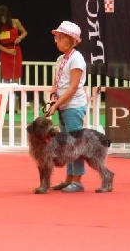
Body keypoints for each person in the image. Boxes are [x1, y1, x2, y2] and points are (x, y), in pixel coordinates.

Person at [46, 21, 88, 193]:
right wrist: (53, 99)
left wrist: (56, 104)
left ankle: (77, 181)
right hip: (64, 105)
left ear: (71, 40)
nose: (56, 40)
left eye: (60, 37)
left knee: (74, 144)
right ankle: (69, 179)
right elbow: (59, 84)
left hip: (73, 106)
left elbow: (73, 87)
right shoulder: (61, 59)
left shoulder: (77, 59)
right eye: (56, 37)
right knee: (67, 144)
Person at [0, 5, 27, 83]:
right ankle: (6, 94)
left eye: (4, 18)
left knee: (16, 76)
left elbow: (25, 32)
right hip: (5, 53)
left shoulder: (15, 22)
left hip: (15, 51)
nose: (2, 20)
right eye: (0, 19)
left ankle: (15, 94)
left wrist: (19, 38)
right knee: (6, 77)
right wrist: (8, 51)